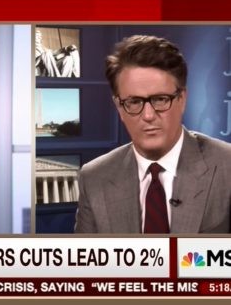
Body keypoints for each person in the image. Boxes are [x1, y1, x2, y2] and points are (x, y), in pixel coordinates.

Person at [75, 35, 231, 233]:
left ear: (182, 99)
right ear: (119, 107)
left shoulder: (227, 167)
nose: (148, 115)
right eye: (134, 102)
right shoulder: (94, 178)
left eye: (160, 99)